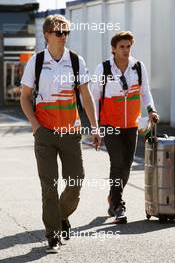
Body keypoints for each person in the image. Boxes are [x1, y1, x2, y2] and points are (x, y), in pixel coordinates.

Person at [20, 15, 100, 253]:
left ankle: (60, 216)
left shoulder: (76, 61)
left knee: (75, 182)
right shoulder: (36, 62)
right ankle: (53, 233)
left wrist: (95, 127)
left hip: (71, 132)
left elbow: (86, 97)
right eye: (58, 32)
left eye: (66, 32)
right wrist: (35, 125)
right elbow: (25, 96)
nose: (63, 36)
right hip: (44, 132)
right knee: (49, 186)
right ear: (47, 34)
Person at [91, 31, 159, 224]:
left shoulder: (137, 67)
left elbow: (145, 91)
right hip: (110, 123)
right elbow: (94, 98)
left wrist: (151, 111)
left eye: (128, 46)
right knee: (117, 161)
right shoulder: (103, 68)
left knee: (127, 165)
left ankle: (113, 196)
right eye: (122, 46)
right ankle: (118, 205)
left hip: (131, 124)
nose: (126, 50)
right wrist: (95, 126)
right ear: (113, 49)